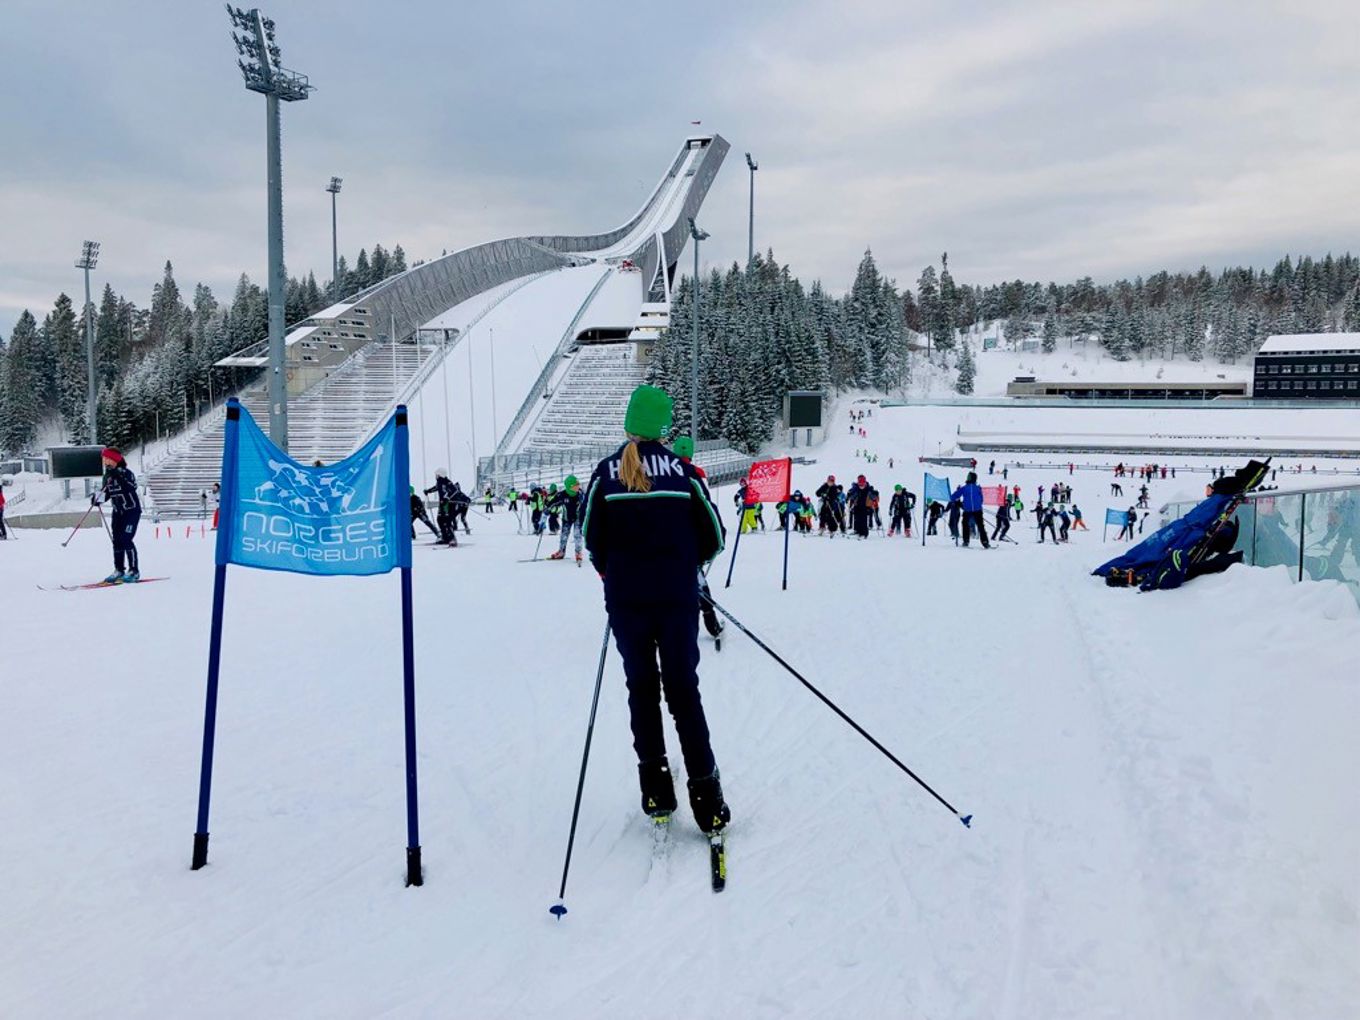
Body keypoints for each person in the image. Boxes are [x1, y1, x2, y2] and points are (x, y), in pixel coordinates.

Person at [583, 385, 730, 832]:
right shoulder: (683, 473)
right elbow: (714, 537)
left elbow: (592, 538)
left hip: (627, 601)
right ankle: (707, 799)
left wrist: (613, 574)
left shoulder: (607, 472)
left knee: (642, 690)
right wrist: (688, 564)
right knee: (683, 691)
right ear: (665, 429)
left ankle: (655, 790)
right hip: (676, 598)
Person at [93, 448, 142, 582]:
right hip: (118, 512)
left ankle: (134, 571)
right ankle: (119, 570)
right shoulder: (107, 476)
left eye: (106, 458)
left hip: (131, 511)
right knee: (117, 541)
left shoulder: (127, 473)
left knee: (126, 539)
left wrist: (118, 476)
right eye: (103, 458)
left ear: (114, 459)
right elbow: (107, 493)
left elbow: (131, 487)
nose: (104, 461)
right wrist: (98, 499)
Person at [547, 475, 585, 561]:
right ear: (570, 486)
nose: (578, 486)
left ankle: (578, 552)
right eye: (576, 485)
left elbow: (587, 504)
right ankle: (561, 552)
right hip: (566, 518)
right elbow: (552, 502)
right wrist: (547, 509)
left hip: (578, 518)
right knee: (564, 535)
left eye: (578, 484)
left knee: (577, 535)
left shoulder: (580, 494)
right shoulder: (562, 495)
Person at [951, 472, 990, 548]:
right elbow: (981, 499)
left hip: (969, 510)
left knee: (968, 525)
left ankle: (966, 541)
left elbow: (954, 495)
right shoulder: (976, 488)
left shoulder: (967, 488)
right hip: (975, 510)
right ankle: (984, 542)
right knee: (979, 525)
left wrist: (953, 499)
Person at [423, 470, 459, 546]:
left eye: (437, 475)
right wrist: (428, 491)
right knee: (440, 520)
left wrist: (447, 498)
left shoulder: (447, 482)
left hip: (447, 505)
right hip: (442, 504)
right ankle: (445, 537)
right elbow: (436, 488)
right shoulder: (440, 482)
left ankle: (452, 539)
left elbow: (454, 491)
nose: (436, 477)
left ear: (440, 475)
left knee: (446, 520)